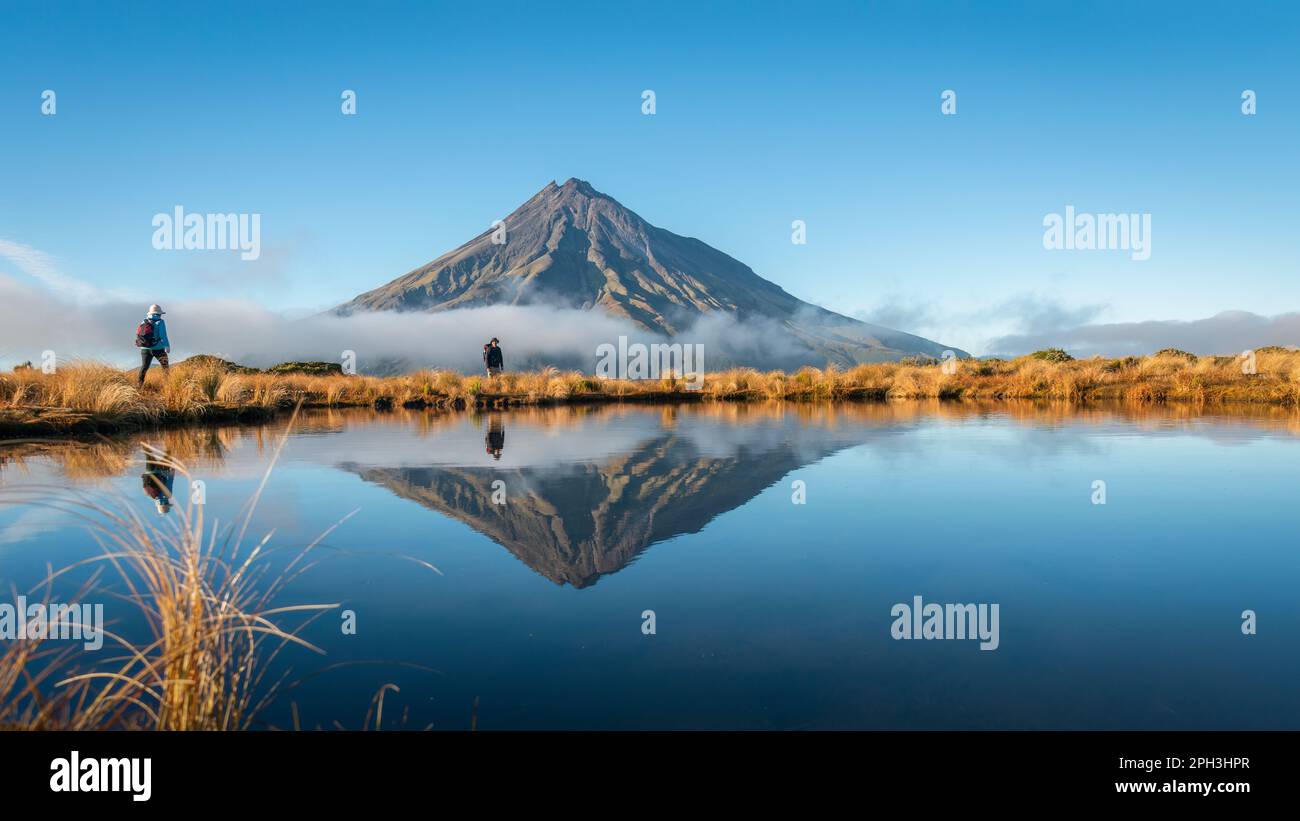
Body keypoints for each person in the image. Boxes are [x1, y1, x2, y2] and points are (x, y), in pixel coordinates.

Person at [136, 304, 171, 386]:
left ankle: (139, 385)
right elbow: (163, 335)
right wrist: (167, 346)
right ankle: (167, 385)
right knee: (165, 366)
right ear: (159, 313)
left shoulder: (144, 321)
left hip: (144, 348)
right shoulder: (160, 322)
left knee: (144, 367)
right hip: (158, 348)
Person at [141, 446, 175, 515]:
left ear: (167, 503)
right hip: (149, 471)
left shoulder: (168, 495)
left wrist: (172, 473)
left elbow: (169, 483)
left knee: (169, 453)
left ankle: (168, 440)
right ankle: (142, 439)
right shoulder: (152, 496)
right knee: (148, 452)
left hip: (162, 470)